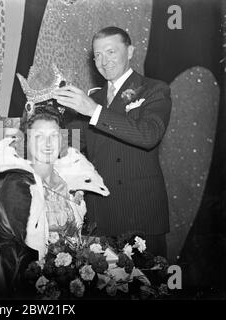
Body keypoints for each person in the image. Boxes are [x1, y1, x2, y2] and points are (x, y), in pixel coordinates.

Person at [53, 26, 172, 257]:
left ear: (130, 51)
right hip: (100, 215)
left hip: (140, 213)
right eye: (97, 55)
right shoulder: (92, 98)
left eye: (110, 52)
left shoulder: (154, 89)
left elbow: (149, 135)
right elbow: (72, 142)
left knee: (147, 287)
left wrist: (94, 111)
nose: (103, 61)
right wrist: (43, 121)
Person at [0, 95, 109, 296]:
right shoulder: (18, 186)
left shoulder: (68, 182)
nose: (47, 144)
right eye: (39, 137)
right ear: (26, 140)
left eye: (53, 136)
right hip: (31, 284)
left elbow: (76, 238)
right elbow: (24, 254)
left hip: (70, 279)